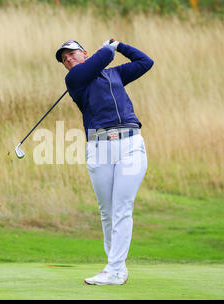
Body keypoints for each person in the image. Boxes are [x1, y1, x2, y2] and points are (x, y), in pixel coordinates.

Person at [55, 39, 154, 285]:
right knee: (107, 212)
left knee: (121, 207)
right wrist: (108, 49)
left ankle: (114, 269)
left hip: (130, 144)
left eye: (72, 54)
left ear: (84, 53)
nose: (68, 59)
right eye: (64, 59)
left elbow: (145, 62)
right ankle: (116, 268)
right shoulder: (75, 80)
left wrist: (119, 45)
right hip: (99, 147)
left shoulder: (115, 74)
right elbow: (101, 59)